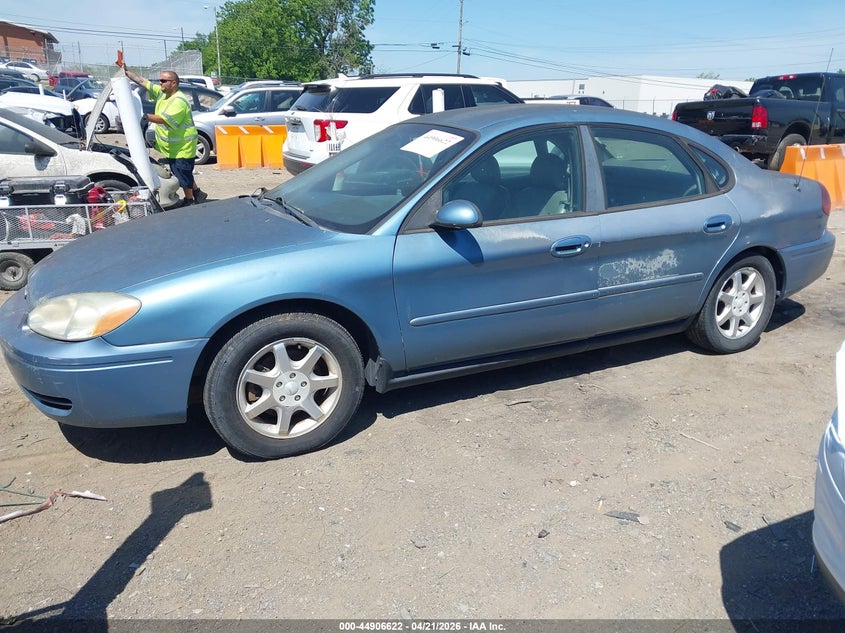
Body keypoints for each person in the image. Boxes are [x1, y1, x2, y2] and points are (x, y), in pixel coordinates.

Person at [116, 60, 207, 207]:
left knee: (182, 173)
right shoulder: (162, 94)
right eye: (160, 80)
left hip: (184, 146)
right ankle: (198, 193)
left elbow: (164, 119)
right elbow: (143, 82)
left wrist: (142, 116)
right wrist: (126, 71)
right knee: (182, 172)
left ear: (174, 83)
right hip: (174, 146)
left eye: (164, 81)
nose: (160, 83)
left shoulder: (179, 101)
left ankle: (190, 201)